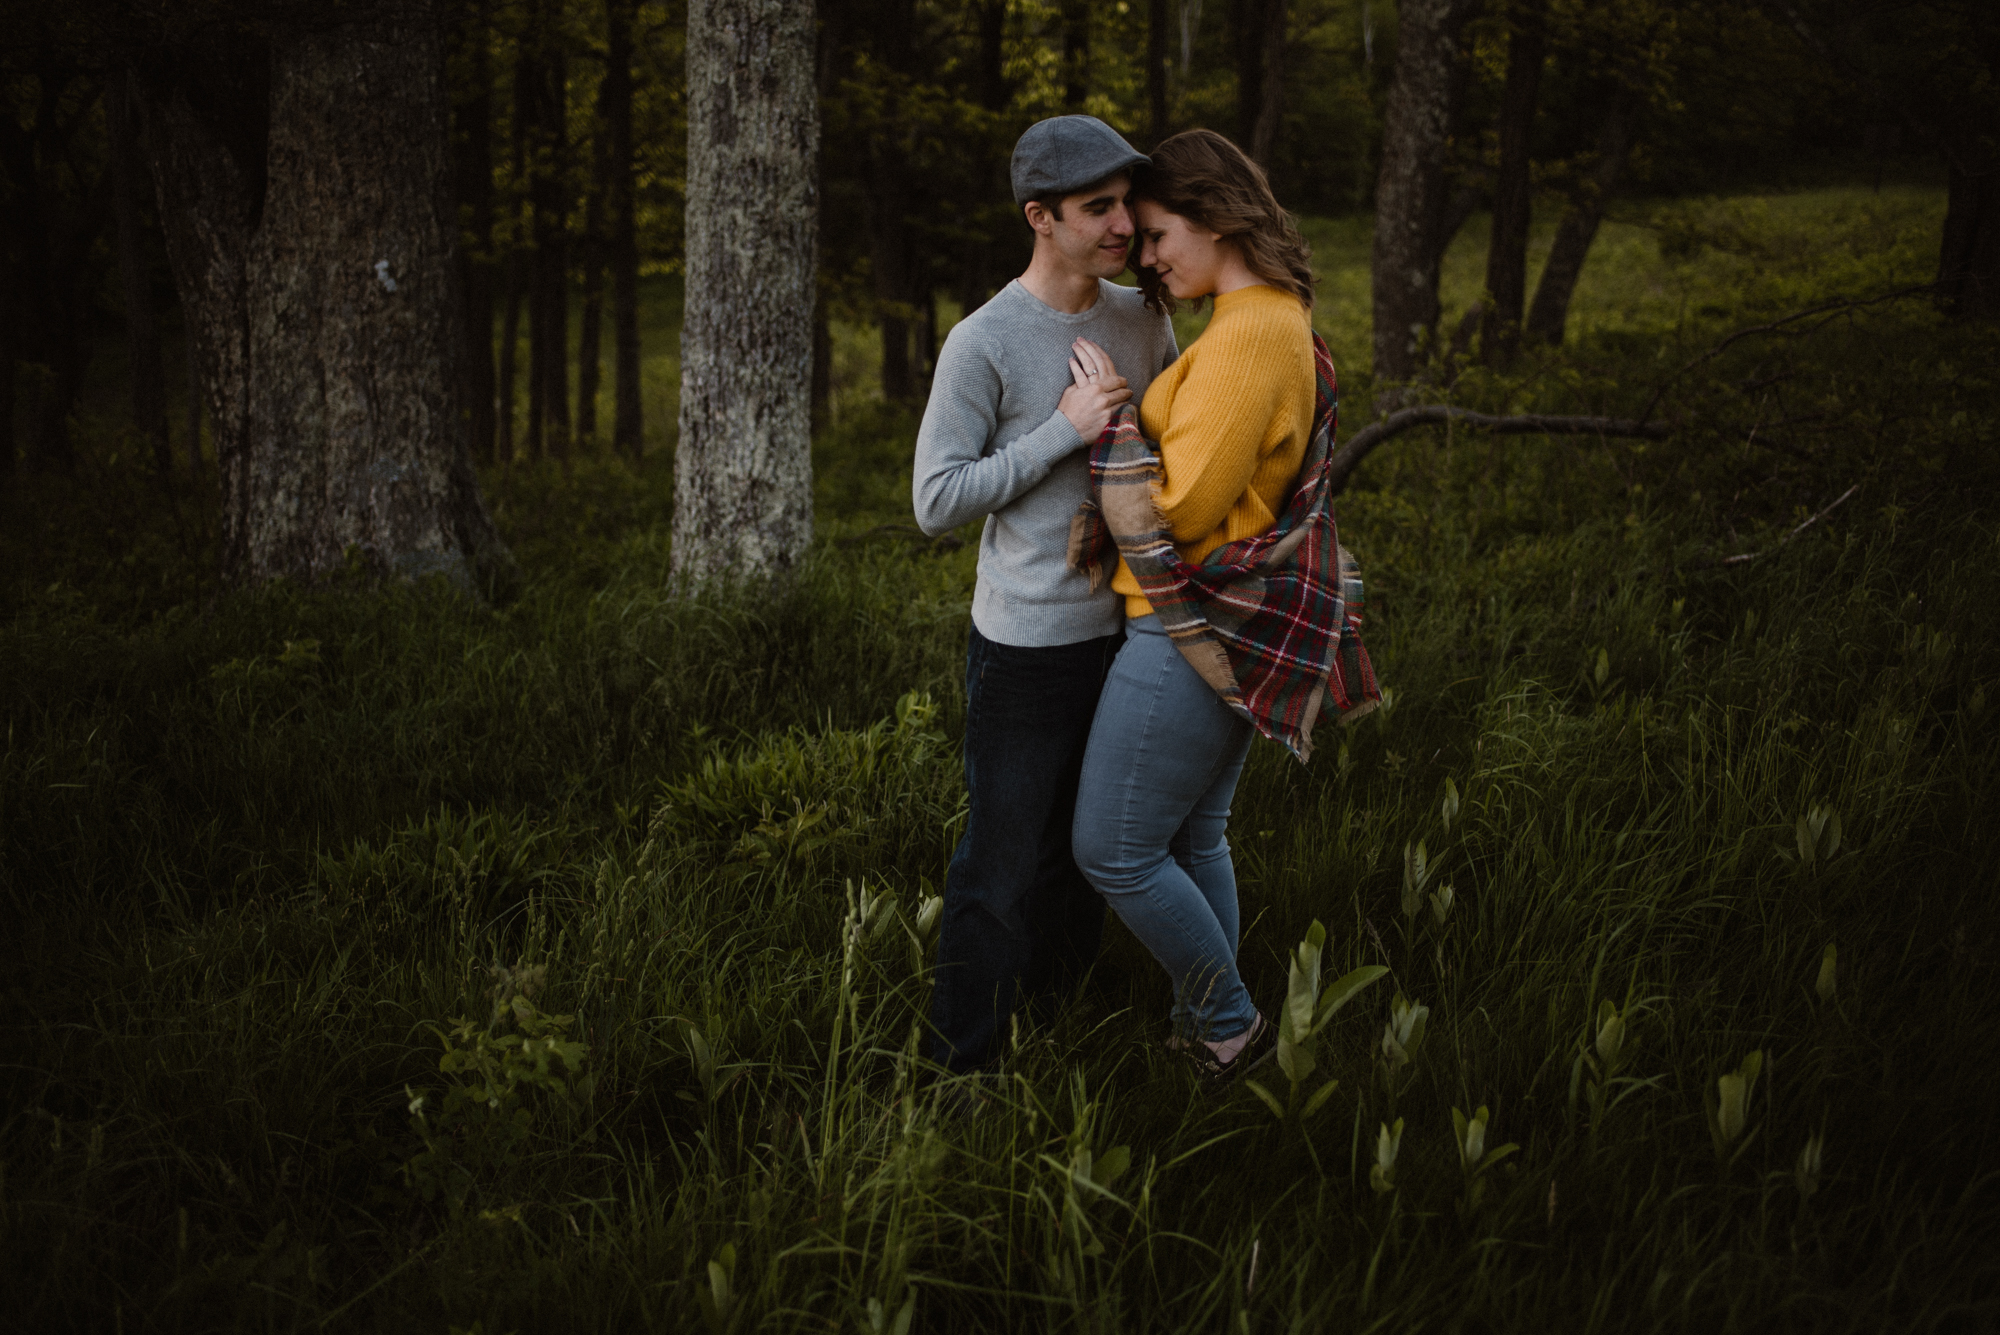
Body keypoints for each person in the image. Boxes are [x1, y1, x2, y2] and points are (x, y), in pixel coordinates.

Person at [911, 116, 1180, 1076]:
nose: (1123, 222)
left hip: (1126, 636)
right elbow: (935, 500)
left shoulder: (1142, 317)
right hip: (1024, 648)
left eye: (1125, 201)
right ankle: (960, 1070)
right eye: (1097, 206)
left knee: (1086, 854)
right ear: (1041, 217)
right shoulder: (982, 341)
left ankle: (1059, 1025)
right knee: (1000, 866)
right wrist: (1064, 430)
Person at [1068, 128, 1327, 1085]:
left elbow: (1179, 509)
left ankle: (1227, 1021)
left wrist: (1112, 428)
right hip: (1223, 623)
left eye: (1159, 233)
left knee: (1114, 849)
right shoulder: (1267, 315)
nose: (1147, 257)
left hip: (1186, 625)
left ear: (1215, 218)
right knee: (1192, 835)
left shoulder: (1251, 333)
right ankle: (1207, 1033)